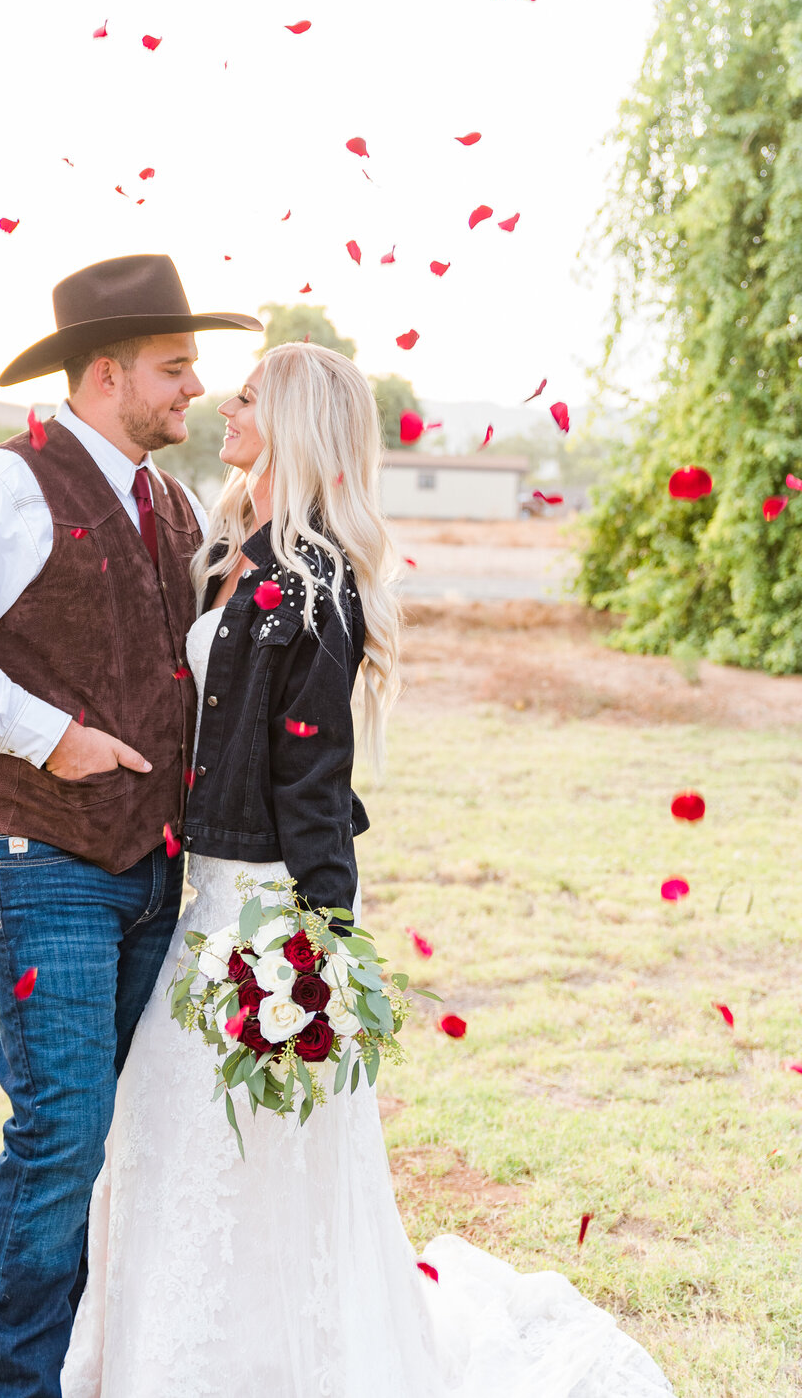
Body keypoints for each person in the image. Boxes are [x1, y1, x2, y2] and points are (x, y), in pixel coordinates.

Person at [61, 341, 676, 1398]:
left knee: (253, 1140)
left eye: (249, 397)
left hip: (262, 910)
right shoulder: (218, 550)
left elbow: (312, 774)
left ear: (295, 423)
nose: (226, 409)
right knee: (166, 1136)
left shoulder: (317, 587)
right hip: (190, 896)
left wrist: (321, 943)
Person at [0, 253, 261, 1398]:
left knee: (125, 1142)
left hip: (150, 866)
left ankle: (97, 1366)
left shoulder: (172, 501)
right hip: (39, 858)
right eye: (175, 368)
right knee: (61, 1140)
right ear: (104, 374)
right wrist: (50, 736)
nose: (195, 388)